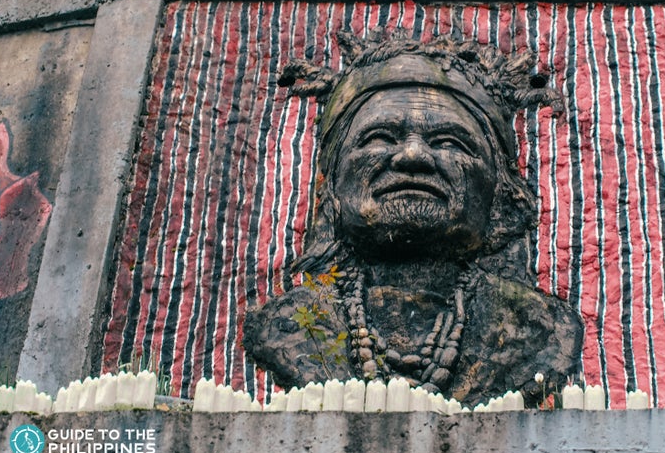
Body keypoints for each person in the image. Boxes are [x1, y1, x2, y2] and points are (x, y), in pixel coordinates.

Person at [244, 32, 583, 406]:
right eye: (379, 137)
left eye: (450, 143)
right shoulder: (285, 326)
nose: (412, 156)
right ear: (332, 187)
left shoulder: (541, 331)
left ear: (500, 197)